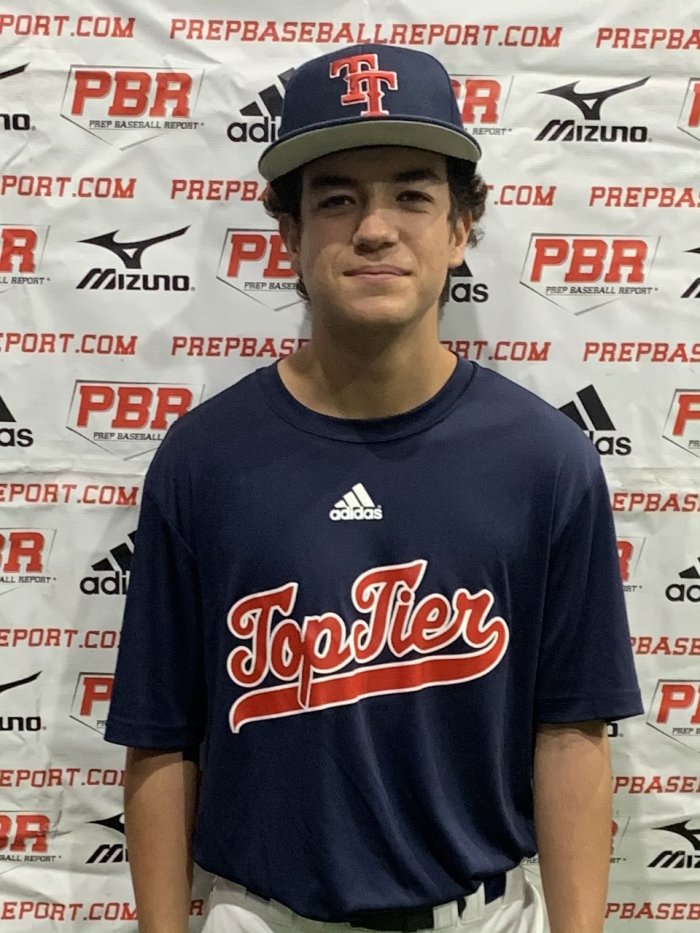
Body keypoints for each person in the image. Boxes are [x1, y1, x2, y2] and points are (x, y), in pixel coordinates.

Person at [105, 43, 643, 933]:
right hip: (262, 915)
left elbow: (571, 733)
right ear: (289, 233)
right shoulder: (205, 457)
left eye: (412, 195)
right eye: (337, 199)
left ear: (462, 227)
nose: (375, 229)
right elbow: (160, 738)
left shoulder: (545, 458)